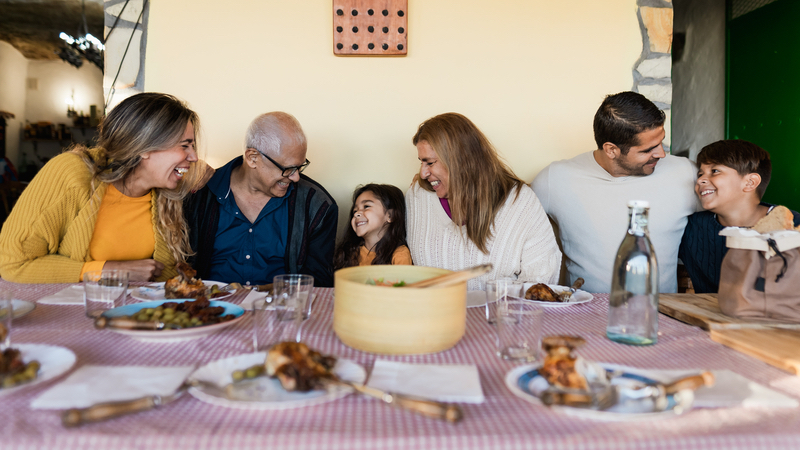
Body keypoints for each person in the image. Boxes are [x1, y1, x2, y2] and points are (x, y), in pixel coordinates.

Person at [0, 92, 204, 283]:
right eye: (185, 145)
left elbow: (163, 275)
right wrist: (109, 270)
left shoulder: (166, 195)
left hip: (128, 314)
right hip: (60, 315)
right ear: (144, 147)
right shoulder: (73, 173)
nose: (194, 157)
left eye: (192, 146)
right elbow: (12, 264)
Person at [532, 91, 699, 293]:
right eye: (648, 150)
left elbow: (734, 214)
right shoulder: (554, 180)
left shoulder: (686, 173)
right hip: (583, 317)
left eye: (661, 141)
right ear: (611, 150)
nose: (662, 154)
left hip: (661, 316)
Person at [406, 113, 561, 291]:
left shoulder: (520, 201)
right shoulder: (418, 197)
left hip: (501, 317)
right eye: (421, 163)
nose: (423, 173)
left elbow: (541, 279)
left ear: (460, 160)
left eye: (430, 163)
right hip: (435, 316)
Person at [185, 112, 338, 287]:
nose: (295, 177)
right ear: (252, 158)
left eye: (299, 167)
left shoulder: (317, 205)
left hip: (282, 310)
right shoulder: (199, 193)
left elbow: (318, 281)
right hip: (210, 309)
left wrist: (256, 294)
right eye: (288, 169)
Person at [679, 140, 800, 293]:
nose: (700, 179)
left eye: (715, 171)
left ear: (750, 182)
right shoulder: (689, 228)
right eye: (700, 173)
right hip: (706, 315)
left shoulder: (793, 227)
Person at [333, 183, 412, 270]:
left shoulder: (400, 253)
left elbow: (404, 282)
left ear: (390, 216)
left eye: (366, 206)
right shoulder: (349, 254)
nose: (357, 214)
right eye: (355, 211)